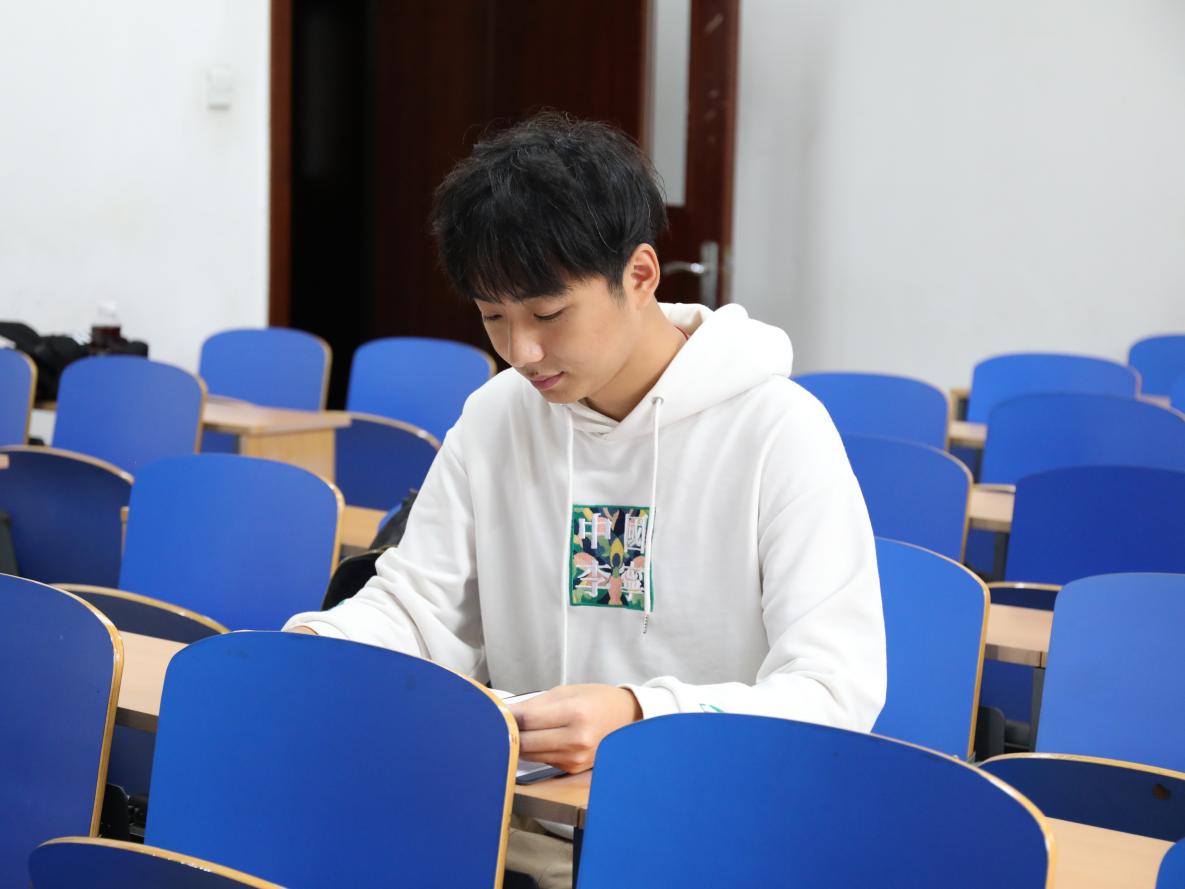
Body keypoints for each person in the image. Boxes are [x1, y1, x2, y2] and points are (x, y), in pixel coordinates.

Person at [284, 112, 886, 887]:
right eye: (492, 317)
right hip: (518, 829)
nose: (521, 350)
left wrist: (639, 714)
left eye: (547, 314)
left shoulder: (778, 431)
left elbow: (833, 690)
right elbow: (417, 607)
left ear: (639, 275)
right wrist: (320, 645)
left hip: (713, 834)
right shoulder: (497, 416)